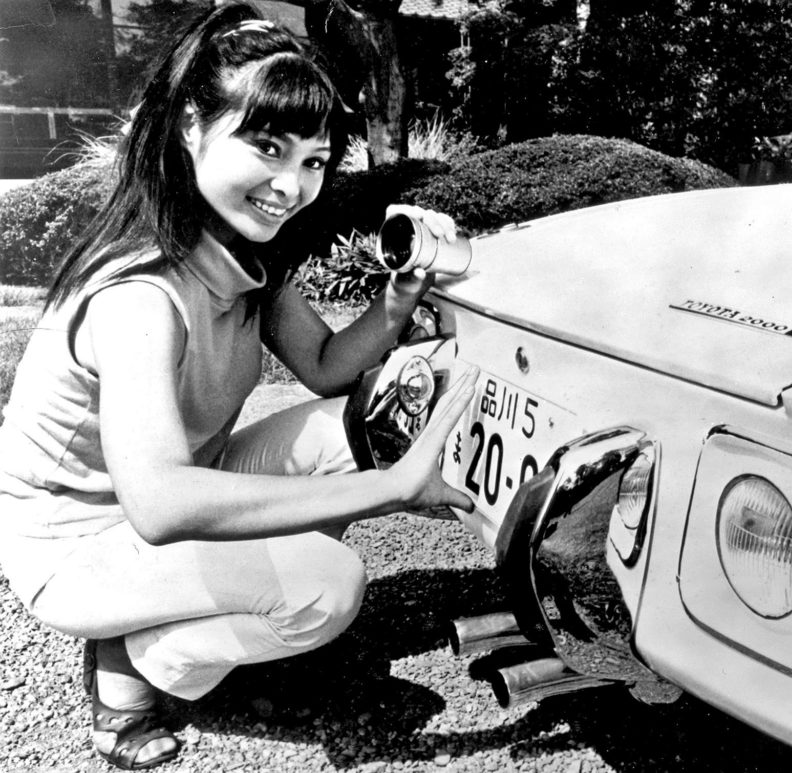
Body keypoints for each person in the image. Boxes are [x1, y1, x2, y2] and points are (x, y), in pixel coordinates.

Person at [0, 3, 477, 769]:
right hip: (78, 545)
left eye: (315, 160)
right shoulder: (139, 294)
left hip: (176, 493)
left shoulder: (240, 255)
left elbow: (325, 364)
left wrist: (401, 294)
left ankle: (219, 609)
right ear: (192, 126)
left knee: (345, 429)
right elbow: (161, 504)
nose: (293, 185)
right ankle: (133, 661)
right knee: (328, 585)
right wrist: (391, 487)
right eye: (268, 146)